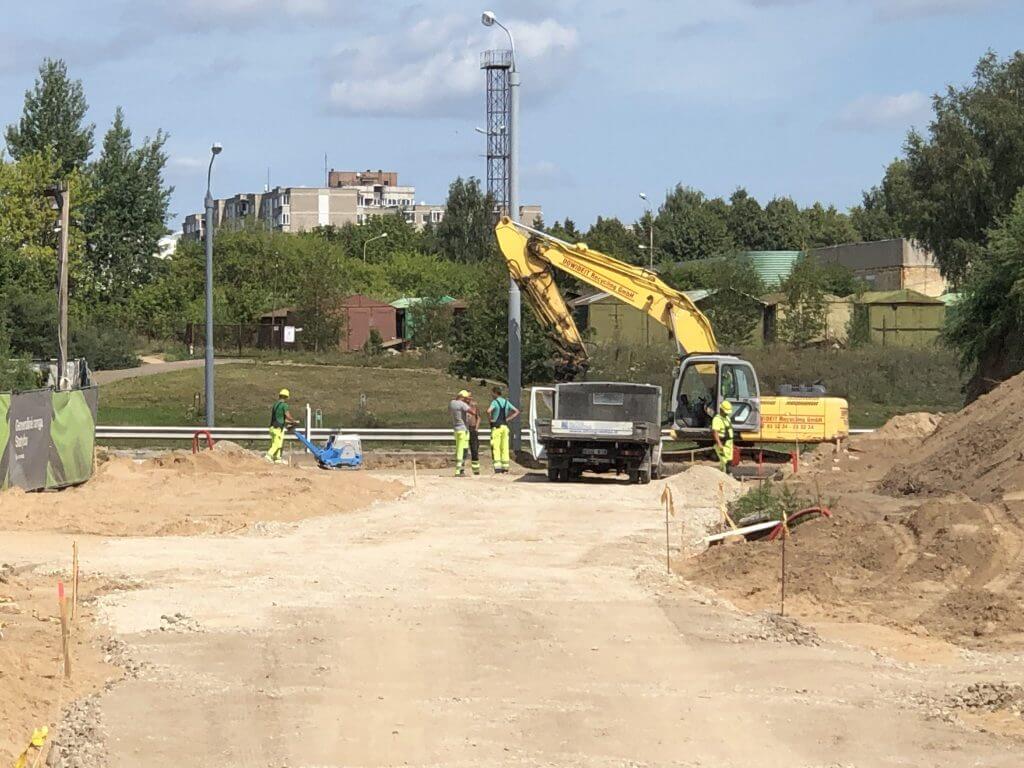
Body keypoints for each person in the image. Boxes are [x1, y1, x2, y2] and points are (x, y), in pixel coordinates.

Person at [488, 386, 520, 474]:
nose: (491, 395)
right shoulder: (506, 402)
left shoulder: (495, 402)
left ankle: (497, 468)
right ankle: (505, 467)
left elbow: (488, 411)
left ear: (495, 393)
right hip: (505, 427)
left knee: (496, 447)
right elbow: (516, 411)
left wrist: (491, 419)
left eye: (492, 393)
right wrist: (508, 419)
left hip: (497, 427)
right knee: (505, 447)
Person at [266, 388, 298, 464]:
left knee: (276, 443)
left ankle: (277, 458)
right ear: (287, 397)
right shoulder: (284, 405)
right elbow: (287, 416)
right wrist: (294, 421)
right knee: (277, 444)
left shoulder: (275, 405)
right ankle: (268, 456)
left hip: (272, 427)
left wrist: (288, 422)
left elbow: (280, 417)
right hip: (278, 428)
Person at [449, 389, 472, 477]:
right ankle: (459, 471)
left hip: (457, 429)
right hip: (463, 429)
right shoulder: (462, 404)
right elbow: (472, 412)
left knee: (463, 449)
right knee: (461, 450)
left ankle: (461, 469)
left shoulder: (452, 403)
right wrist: (469, 403)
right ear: (463, 397)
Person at [711, 400, 734, 474]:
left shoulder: (727, 418)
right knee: (724, 462)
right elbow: (715, 432)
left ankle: (726, 476)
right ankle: (724, 478)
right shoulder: (717, 419)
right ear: (721, 410)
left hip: (729, 444)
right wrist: (719, 443)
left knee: (729, 461)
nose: (727, 414)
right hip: (723, 444)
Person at [465, 394, 482, 476]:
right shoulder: (463, 405)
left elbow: (478, 417)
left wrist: (476, 428)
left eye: (470, 397)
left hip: (473, 428)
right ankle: (461, 469)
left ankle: (476, 470)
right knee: (464, 449)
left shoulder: (474, 405)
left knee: (474, 450)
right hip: (465, 429)